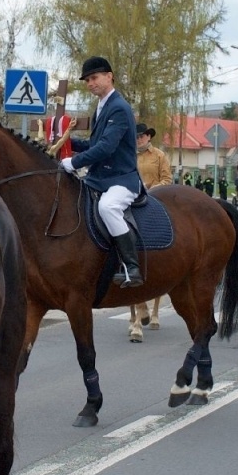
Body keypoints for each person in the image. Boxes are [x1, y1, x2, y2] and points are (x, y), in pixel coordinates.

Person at [62, 56, 145, 288]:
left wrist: (74, 162)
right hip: (99, 178)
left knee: (107, 207)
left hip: (121, 178)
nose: (90, 83)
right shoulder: (101, 106)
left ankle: (132, 267)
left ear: (110, 76)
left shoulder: (119, 107)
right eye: (87, 80)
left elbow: (107, 148)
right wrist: (69, 143)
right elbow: (96, 143)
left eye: (94, 77)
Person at [130, 124, 174, 332]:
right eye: (136, 136)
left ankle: (154, 309)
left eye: (142, 136)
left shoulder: (158, 155)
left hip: (151, 200)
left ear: (148, 137)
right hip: (130, 199)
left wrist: (153, 189)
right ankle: (136, 310)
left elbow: (167, 179)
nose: (139, 139)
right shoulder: (128, 154)